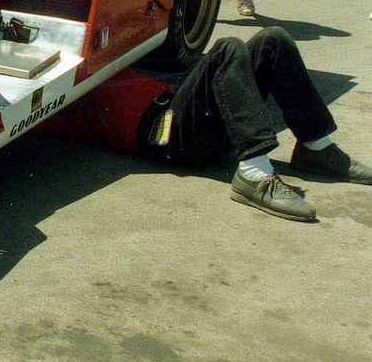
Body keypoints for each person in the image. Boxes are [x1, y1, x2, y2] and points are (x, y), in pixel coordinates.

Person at [139, 27, 372, 222]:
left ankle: (316, 148)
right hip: (162, 131)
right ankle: (254, 173)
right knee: (228, 48)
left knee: (273, 39)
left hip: (186, 105)